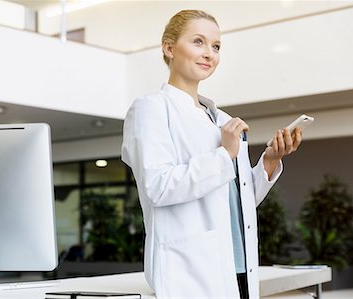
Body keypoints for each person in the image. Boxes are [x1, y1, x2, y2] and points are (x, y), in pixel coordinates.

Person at [121, 10, 302, 299]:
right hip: (190, 273)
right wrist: (224, 154)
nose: (209, 54)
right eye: (198, 42)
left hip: (239, 268)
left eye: (216, 47)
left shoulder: (222, 119)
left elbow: (238, 202)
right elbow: (158, 186)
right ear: (169, 48)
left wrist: (269, 162)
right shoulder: (151, 108)